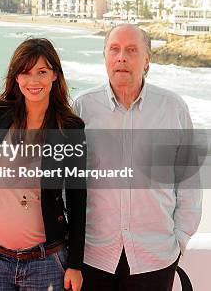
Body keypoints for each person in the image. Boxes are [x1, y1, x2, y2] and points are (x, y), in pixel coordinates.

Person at [73, 24, 202, 290]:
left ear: (147, 60)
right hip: (93, 257)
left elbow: (189, 182)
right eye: (115, 49)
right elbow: (67, 182)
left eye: (131, 50)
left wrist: (179, 241)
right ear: (105, 56)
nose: (122, 57)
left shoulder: (173, 108)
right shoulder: (81, 108)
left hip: (155, 258)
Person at [0, 38, 87, 291]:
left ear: (54, 75)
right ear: (16, 77)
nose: (34, 81)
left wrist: (75, 264)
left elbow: (78, 198)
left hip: (46, 262)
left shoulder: (69, 128)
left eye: (42, 72)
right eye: (26, 72)